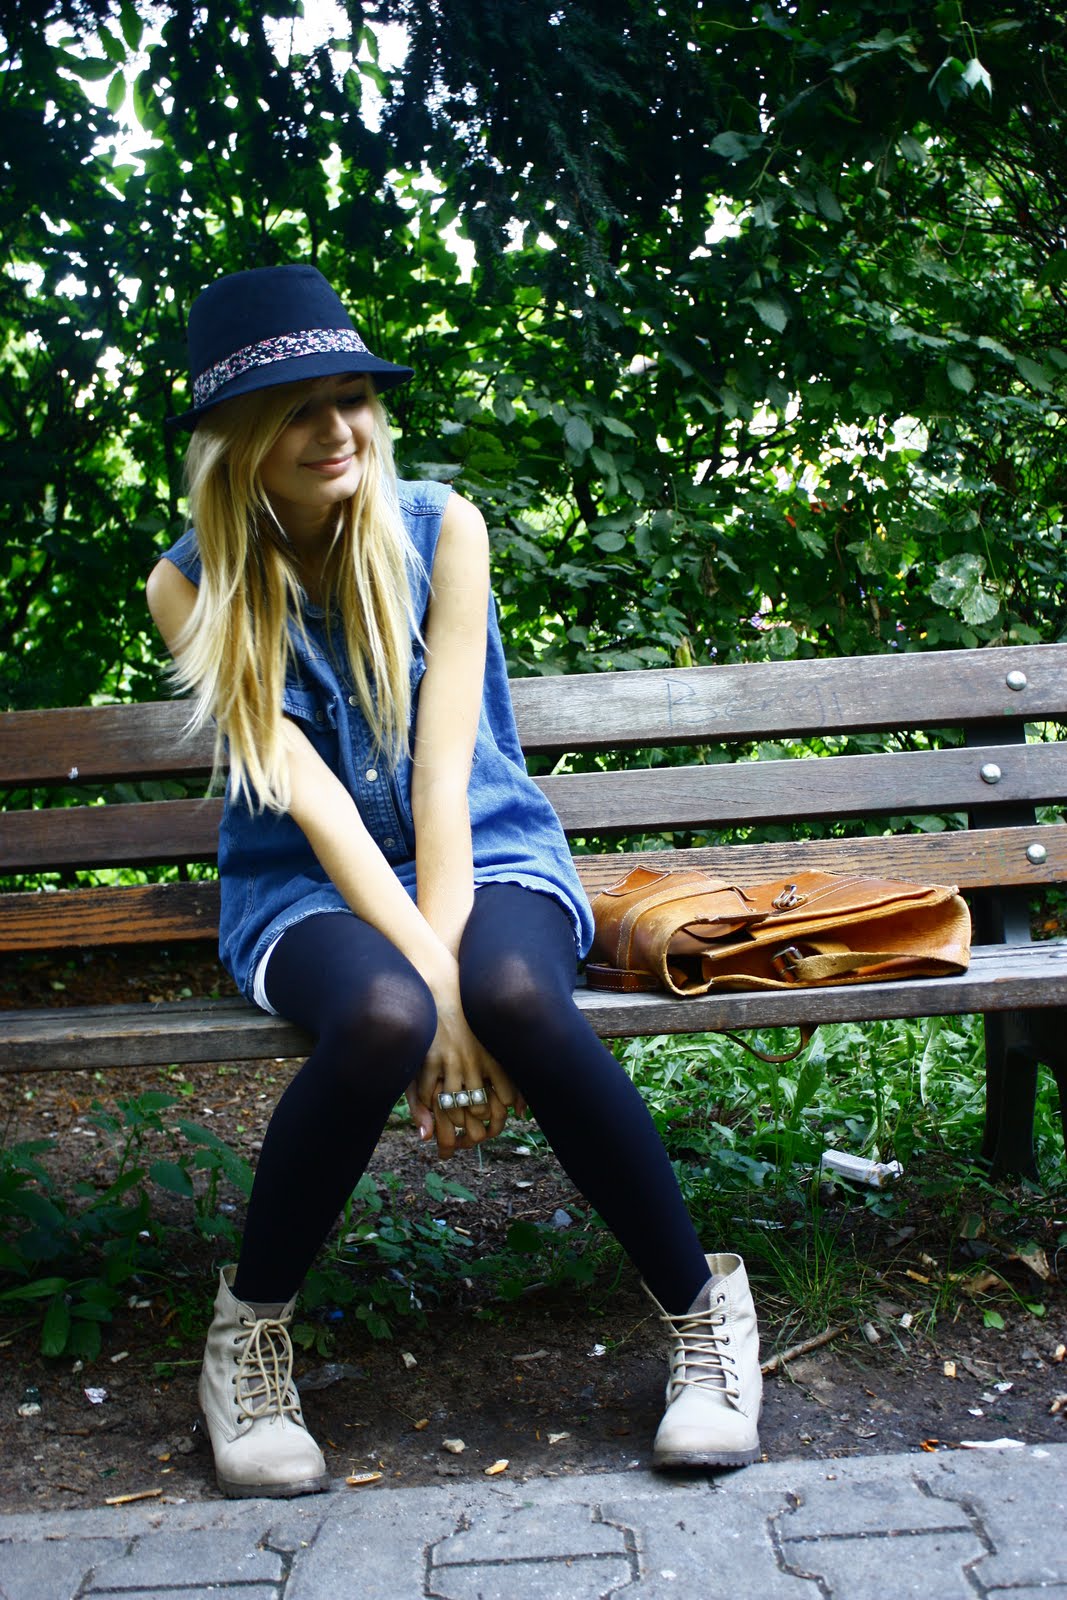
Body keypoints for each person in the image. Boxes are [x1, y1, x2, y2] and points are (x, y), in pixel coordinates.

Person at [146, 263, 763, 1499]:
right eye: (298, 408)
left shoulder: (442, 528)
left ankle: (706, 1319)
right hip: (302, 888)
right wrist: (431, 997)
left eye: (353, 397)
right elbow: (317, 806)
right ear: (237, 439)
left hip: (486, 847)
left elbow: (439, 781)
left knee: (517, 996)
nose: (338, 428)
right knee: (384, 1016)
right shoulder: (189, 582)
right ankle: (247, 1340)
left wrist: (459, 991)